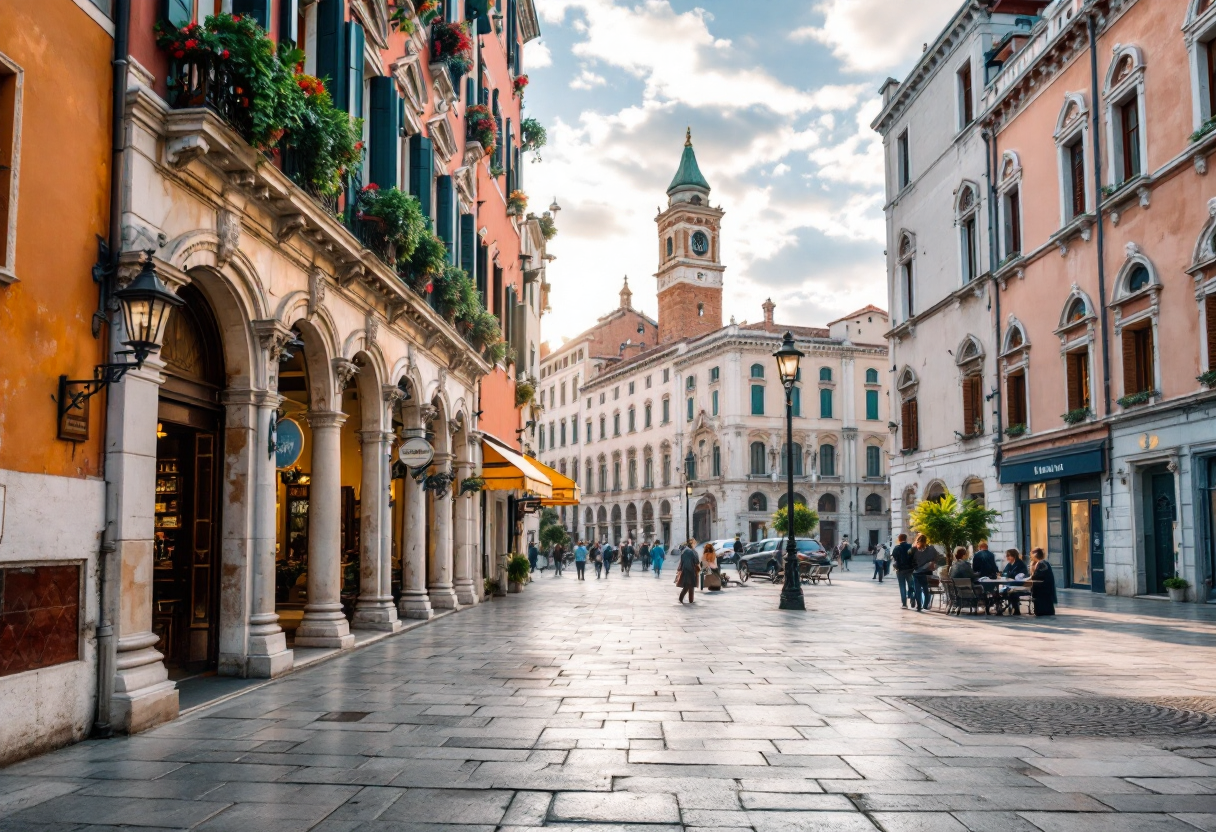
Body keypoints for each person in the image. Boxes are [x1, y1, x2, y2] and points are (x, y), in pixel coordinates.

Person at [912, 534, 939, 612]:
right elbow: (937, 557)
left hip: (916, 572)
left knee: (917, 589)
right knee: (926, 589)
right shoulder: (931, 548)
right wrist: (932, 563)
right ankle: (926, 605)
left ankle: (919, 605)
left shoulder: (914, 549)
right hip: (927, 571)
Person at [1029, 547, 1057, 616]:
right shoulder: (1042, 563)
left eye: (1032, 555)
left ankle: (1043, 611)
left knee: (1043, 601)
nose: (1031, 557)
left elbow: (1038, 575)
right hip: (1044, 588)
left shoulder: (1042, 563)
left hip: (1043, 588)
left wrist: (1032, 575)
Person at [1000, 548, 1029, 615]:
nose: (1007, 558)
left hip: (1019, 584)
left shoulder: (1020, 564)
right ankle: (1001, 606)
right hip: (1010, 583)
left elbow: (1019, 575)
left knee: (1012, 592)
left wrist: (1009, 575)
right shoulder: (1009, 564)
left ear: (1014, 556)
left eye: (1009, 556)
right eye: (1007, 556)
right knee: (1001, 590)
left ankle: (1016, 609)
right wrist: (1006, 575)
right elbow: (1004, 573)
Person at [891, 534, 916, 608]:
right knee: (911, 585)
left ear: (899, 539)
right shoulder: (910, 546)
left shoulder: (897, 548)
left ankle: (904, 604)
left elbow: (894, 557)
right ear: (906, 538)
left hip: (900, 569)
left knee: (902, 586)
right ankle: (912, 598)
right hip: (910, 569)